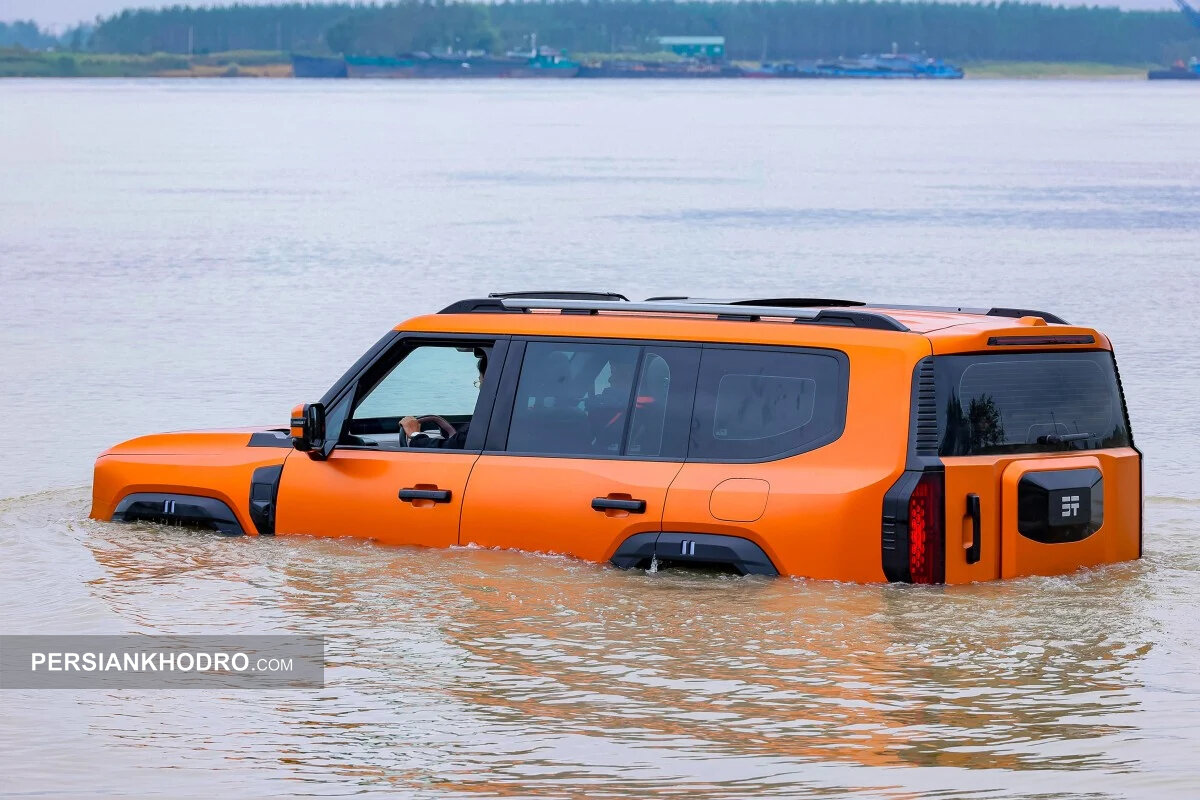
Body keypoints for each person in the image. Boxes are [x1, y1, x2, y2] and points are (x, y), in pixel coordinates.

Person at [400, 351, 486, 449]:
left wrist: (415, 435)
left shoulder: (490, 420)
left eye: (480, 381)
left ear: (490, 383)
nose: (480, 388)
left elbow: (454, 448)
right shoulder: (499, 416)